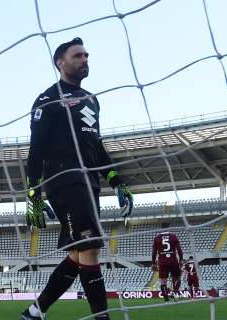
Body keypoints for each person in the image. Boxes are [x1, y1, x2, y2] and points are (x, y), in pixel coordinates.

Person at [20, 37, 133, 320]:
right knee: (91, 248)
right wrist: (33, 192)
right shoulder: (48, 99)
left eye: (86, 55)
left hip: (89, 181)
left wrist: (117, 182)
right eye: (77, 56)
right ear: (61, 63)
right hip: (64, 178)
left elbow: (97, 146)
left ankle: (35, 312)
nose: (84, 59)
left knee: (78, 254)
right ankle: (101, 317)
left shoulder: (92, 101)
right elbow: (36, 150)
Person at [152, 223, 183, 302]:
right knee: (177, 278)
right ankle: (175, 292)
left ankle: (166, 300)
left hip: (162, 261)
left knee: (163, 282)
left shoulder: (156, 238)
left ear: (161, 229)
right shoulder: (173, 236)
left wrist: (153, 263)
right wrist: (181, 260)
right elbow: (179, 250)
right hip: (173, 260)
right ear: (168, 228)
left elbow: (154, 252)